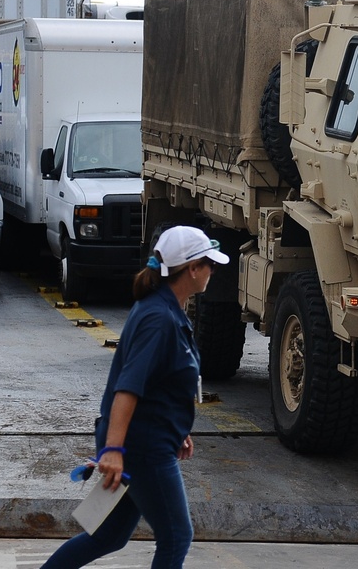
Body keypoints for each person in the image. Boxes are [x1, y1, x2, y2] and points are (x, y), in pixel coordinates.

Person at [42, 225, 229, 568]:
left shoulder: (168, 309)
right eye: (209, 264)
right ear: (191, 269)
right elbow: (128, 387)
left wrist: (177, 429)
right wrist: (114, 450)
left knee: (110, 536)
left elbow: (163, 382)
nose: (212, 270)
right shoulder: (159, 318)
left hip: (147, 439)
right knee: (176, 536)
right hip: (141, 447)